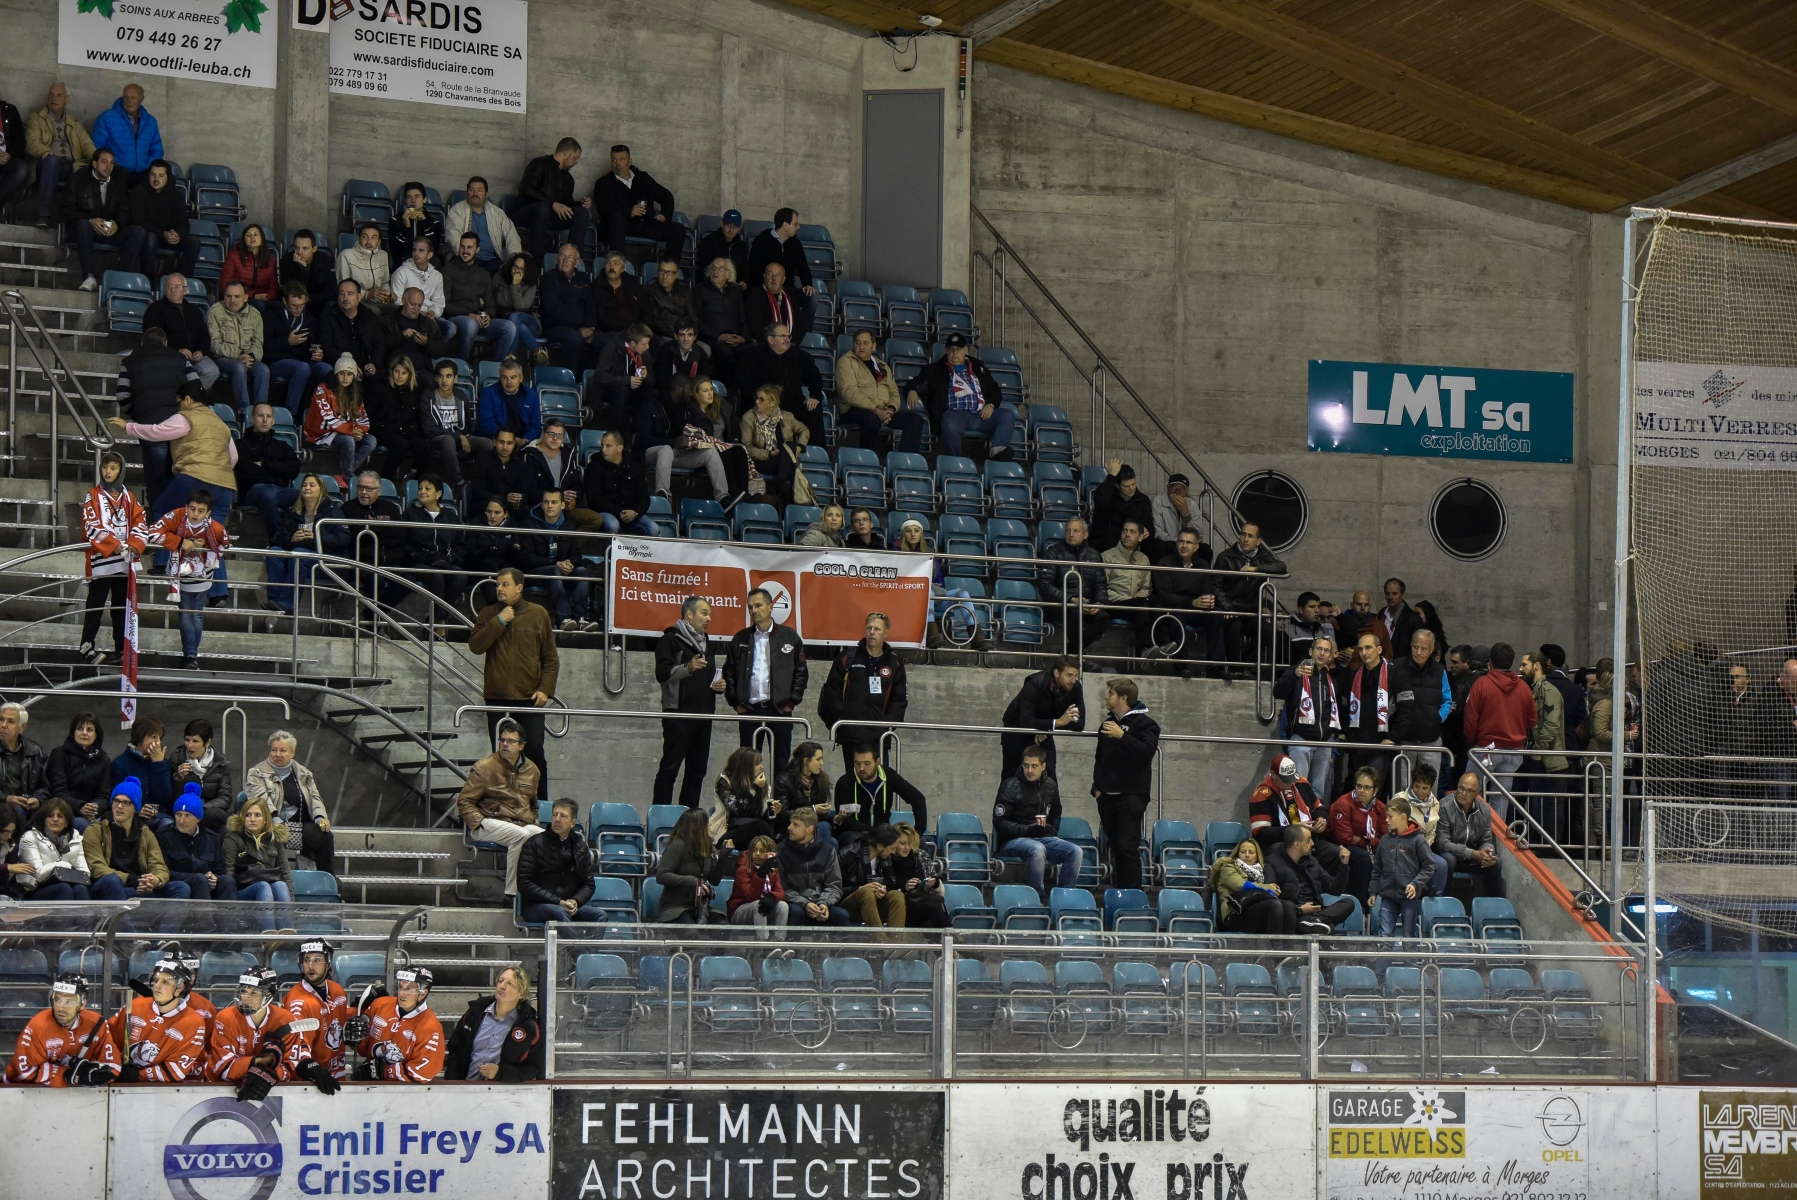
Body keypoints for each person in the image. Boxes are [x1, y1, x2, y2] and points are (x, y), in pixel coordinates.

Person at [471, 568, 559, 799]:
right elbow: (476, 646)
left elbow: (550, 657)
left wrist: (545, 689)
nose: (499, 589)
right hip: (497, 698)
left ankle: (540, 807)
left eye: (505, 584)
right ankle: (502, 806)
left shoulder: (538, 614)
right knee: (501, 757)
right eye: (498, 584)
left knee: (535, 754)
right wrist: (499, 621)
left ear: (519, 588)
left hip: (529, 698)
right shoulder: (489, 613)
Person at [207, 968, 339, 1100]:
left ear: (268, 995)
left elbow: (291, 1063)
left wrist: (270, 1074)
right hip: (219, 1090)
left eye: (254, 993)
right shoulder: (226, 1017)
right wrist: (267, 1061)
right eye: (244, 991)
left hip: (271, 1092)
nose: (246, 998)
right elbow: (223, 1068)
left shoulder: (284, 1019)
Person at [724, 587, 807, 778]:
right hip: (749, 710)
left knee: (781, 765)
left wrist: (790, 703)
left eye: (758, 605)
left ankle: (778, 807)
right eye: (750, 607)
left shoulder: (790, 637)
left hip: (780, 710)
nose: (754, 610)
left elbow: (801, 673)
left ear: (770, 606)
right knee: (747, 766)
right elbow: (729, 673)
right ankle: (750, 806)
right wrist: (736, 704)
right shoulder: (741, 638)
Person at [457, 718, 544, 897]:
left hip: (520, 823)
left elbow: (533, 803)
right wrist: (478, 822)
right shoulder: (485, 767)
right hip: (489, 823)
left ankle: (539, 891)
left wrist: (533, 818)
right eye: (502, 740)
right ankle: (512, 894)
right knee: (521, 835)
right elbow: (464, 801)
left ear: (521, 746)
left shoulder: (532, 770)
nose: (504, 744)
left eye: (510, 741)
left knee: (545, 838)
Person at [143, 489, 230, 667]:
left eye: (200, 510)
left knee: (194, 614)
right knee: (187, 614)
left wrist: (206, 543)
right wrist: (180, 542)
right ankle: (191, 656)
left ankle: (190, 656)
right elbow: (151, 532)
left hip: (203, 575)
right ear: (186, 507)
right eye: (192, 509)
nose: (195, 514)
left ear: (208, 513)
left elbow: (226, 543)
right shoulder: (175, 515)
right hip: (179, 573)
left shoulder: (215, 528)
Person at [654, 596, 726, 809]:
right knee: (670, 769)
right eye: (704, 613)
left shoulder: (707, 642)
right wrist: (688, 668)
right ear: (689, 614)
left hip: (704, 715)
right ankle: (660, 815)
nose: (708, 618)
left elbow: (707, 675)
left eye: (710, 614)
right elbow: (662, 674)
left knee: (697, 772)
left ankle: (689, 819)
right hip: (679, 715)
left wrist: (719, 686)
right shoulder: (670, 639)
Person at [76, 451, 146, 664]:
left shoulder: (129, 497)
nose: (108, 471)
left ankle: (121, 649)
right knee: (95, 605)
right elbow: (90, 524)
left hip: (124, 562)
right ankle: (86, 647)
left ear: (121, 470)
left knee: (120, 608)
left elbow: (140, 522)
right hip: (102, 561)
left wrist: (134, 544)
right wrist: (112, 544)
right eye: (105, 467)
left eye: (113, 468)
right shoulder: (93, 495)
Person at [1091, 676, 1158, 890]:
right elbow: (1100, 758)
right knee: (1116, 848)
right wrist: (1097, 787)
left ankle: (1133, 896)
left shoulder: (1146, 724)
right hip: (1107, 796)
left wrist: (1122, 736)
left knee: (1127, 848)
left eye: (1110, 693)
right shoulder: (1107, 724)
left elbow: (1147, 752)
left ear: (1123, 697)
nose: (1106, 696)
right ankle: (1120, 892)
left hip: (1132, 795)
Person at [819, 613, 909, 774]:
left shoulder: (894, 663)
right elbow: (832, 692)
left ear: (886, 633)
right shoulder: (848, 658)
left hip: (879, 739)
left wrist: (886, 726)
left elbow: (899, 700)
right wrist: (842, 720)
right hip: (851, 736)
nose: (872, 632)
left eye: (877, 629)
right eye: (869, 628)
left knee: (880, 785)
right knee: (853, 785)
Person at [993, 743, 1082, 902]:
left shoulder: (1051, 786)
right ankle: (1037, 899)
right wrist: (1027, 831)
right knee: (1037, 848)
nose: (1029, 770)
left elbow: (1056, 811)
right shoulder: (1009, 786)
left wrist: (1052, 830)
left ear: (1043, 766)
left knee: (1075, 852)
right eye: (1026, 765)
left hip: (1042, 837)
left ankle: (1063, 898)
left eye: (1034, 766)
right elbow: (999, 822)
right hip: (1012, 841)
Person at [243, 730, 335, 875]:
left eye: (283, 750)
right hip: (270, 823)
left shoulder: (304, 773)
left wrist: (320, 818)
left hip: (299, 824)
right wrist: (276, 821)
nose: (277, 754)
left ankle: (328, 880)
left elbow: (315, 798)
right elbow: (261, 800)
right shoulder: (256, 773)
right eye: (274, 750)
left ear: (292, 753)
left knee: (325, 836)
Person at [908, 333, 1013, 459]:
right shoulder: (936, 370)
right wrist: (912, 391)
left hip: (981, 414)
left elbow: (994, 389)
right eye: (951, 349)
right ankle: (954, 460)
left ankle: (998, 454)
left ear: (966, 350)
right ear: (946, 351)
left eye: (958, 349)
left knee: (1007, 415)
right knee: (949, 422)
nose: (954, 353)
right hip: (955, 415)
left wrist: (991, 404)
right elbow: (916, 383)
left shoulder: (979, 368)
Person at [1462, 642, 1538, 817]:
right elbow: (1533, 720)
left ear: (1490, 663)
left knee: (1469, 792)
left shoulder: (1481, 685)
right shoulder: (1523, 688)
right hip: (1514, 751)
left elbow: (1470, 719)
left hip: (1486, 748)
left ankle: (1473, 834)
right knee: (1501, 798)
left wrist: (1473, 742)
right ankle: (1495, 841)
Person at [105, 954, 208, 1083]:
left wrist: (137, 1075)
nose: (157, 986)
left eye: (165, 982)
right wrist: (115, 1066)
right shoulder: (135, 1006)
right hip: (119, 1086)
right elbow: (106, 1040)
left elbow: (176, 1070)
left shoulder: (194, 1022)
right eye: (156, 980)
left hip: (160, 1092)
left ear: (180, 988)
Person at [82, 777, 189, 900]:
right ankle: (122, 920)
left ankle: (167, 920)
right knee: (112, 880)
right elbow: (97, 868)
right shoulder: (95, 830)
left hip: (136, 887)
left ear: (135, 808)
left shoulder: (146, 834)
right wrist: (131, 879)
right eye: (116, 801)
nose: (119, 806)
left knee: (180, 887)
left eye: (126, 802)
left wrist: (155, 880)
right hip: (107, 888)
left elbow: (159, 866)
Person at [7, 973, 118, 1086]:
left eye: (68, 1002)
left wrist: (98, 1076)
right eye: (58, 1000)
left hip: (76, 1095)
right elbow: (21, 1071)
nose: (61, 1007)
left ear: (82, 1003)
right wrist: (65, 1074)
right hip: (23, 1091)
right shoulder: (39, 1025)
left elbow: (113, 1066)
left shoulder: (96, 1024)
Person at [833, 330, 930, 453]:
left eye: (865, 343)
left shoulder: (881, 365)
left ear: (873, 346)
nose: (861, 347)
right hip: (853, 410)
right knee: (871, 418)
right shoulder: (846, 362)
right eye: (857, 343)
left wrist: (891, 409)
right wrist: (875, 409)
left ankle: (903, 461)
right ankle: (867, 460)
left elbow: (894, 391)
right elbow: (849, 393)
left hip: (882, 410)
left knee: (915, 420)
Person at [263, 474, 346, 615]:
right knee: (275, 552)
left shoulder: (333, 511)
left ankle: (288, 604)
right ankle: (275, 601)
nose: (307, 488)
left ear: (321, 490)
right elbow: (278, 540)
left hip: (327, 560)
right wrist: (292, 539)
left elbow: (342, 541)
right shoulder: (293, 513)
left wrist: (317, 537)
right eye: (304, 485)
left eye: (312, 485)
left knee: (300, 553)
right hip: (300, 555)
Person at [1210, 523, 1287, 671]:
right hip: (1231, 608)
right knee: (1234, 627)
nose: (1245, 539)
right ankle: (1234, 669)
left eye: (1250, 536)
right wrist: (1227, 607)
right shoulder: (1226, 556)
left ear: (1258, 541)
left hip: (1251, 610)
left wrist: (1256, 569)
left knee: (1269, 631)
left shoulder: (1263, 556)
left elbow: (1281, 567)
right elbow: (1216, 585)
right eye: (1243, 534)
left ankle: (1245, 665)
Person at [444, 966, 543, 1081]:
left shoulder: (527, 1026)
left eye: (510, 983)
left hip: (502, 1095)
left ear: (521, 993)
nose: (502, 986)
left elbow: (533, 1067)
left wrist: (500, 1073)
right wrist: (453, 1084)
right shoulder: (475, 1013)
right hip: (466, 1089)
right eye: (501, 981)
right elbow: (455, 1050)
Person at [347, 966, 445, 1082]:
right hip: (369, 1087)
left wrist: (383, 1071)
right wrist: (355, 1035)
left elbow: (424, 1072)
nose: (402, 993)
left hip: (402, 1094)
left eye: (409, 989)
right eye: (400, 987)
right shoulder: (380, 1004)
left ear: (423, 993)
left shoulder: (430, 1027)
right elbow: (364, 1049)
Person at [1274, 636, 1342, 801]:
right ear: (1311, 651)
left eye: (1326, 650)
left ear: (1332, 655)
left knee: (1318, 792)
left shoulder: (1331, 680)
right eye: (1318, 649)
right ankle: (1298, 825)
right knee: (1298, 789)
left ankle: (1314, 823)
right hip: (1301, 740)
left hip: (1324, 743)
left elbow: (1333, 712)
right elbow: (1278, 692)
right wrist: (1295, 675)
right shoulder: (1295, 671)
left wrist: (1332, 742)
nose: (1322, 653)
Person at [523, 488, 600, 631]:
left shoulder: (568, 525)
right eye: (546, 502)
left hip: (560, 569)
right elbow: (527, 559)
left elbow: (576, 553)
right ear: (541, 504)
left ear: (562, 505)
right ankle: (563, 618)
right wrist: (556, 563)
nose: (549, 506)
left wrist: (570, 563)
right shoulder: (530, 524)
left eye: (554, 502)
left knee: (583, 571)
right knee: (555, 570)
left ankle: (580, 618)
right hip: (536, 572)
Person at [517, 799, 604, 924]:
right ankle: (573, 944)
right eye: (554, 814)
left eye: (563, 816)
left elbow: (588, 884)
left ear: (573, 823)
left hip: (568, 904)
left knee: (600, 916)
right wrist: (557, 901)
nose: (557, 819)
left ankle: (584, 945)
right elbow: (524, 883)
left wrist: (576, 901)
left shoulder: (580, 846)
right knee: (560, 912)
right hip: (537, 905)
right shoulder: (534, 843)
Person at [739, 322, 826, 445]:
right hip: (765, 404)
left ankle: (817, 454)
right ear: (771, 339)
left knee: (814, 410)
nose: (787, 340)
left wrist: (815, 396)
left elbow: (814, 376)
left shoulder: (799, 355)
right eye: (783, 336)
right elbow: (744, 382)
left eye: (788, 336)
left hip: (793, 404)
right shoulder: (754, 355)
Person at [1000, 658, 1086, 782]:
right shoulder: (1035, 683)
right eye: (1069, 675)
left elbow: (1079, 724)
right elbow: (1025, 721)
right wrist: (1059, 722)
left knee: (1050, 774)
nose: (1073, 680)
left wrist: (1044, 728)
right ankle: (1005, 802)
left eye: (1076, 676)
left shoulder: (1076, 688)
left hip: (1045, 732)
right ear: (1057, 673)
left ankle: (1051, 802)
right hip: (1016, 731)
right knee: (1011, 777)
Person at [593, 144, 683, 258]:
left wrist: (665, 214)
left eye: (622, 159)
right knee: (616, 219)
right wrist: (629, 211)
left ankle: (669, 270)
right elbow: (604, 209)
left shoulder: (642, 178)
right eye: (614, 160)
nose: (618, 164)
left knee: (678, 229)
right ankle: (618, 266)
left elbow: (666, 196)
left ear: (629, 161)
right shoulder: (603, 183)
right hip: (620, 226)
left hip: (645, 223)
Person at [25, 82, 94, 230]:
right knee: (52, 161)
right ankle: (44, 214)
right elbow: (31, 142)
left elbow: (88, 146)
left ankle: (82, 224)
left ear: (67, 100)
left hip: (70, 166)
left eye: (59, 95)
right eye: (51, 94)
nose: (53, 98)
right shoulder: (36, 119)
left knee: (89, 170)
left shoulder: (75, 125)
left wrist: (99, 159)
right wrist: (45, 151)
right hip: (45, 164)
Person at [1150, 529, 1220, 672]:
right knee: (1178, 613)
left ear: (1196, 547)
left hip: (1196, 609)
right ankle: (1181, 666)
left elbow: (1207, 590)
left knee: (1216, 615)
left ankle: (1214, 667)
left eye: (1189, 542)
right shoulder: (1164, 563)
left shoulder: (1204, 565)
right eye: (1181, 541)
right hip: (1173, 608)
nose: (1184, 545)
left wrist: (1208, 600)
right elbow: (1165, 595)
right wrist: (1191, 602)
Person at [1520, 648, 1571, 841]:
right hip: (1537, 755)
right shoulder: (1534, 689)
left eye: (1524, 664)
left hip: (1547, 757)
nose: (1521, 668)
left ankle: (1549, 846)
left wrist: (1538, 749)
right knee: (1538, 804)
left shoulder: (1548, 691)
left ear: (1537, 666)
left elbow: (1551, 723)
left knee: (1548, 805)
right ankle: (1540, 843)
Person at [834, 743, 929, 848]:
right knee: (863, 844)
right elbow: (846, 820)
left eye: (867, 763)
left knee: (921, 846)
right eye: (857, 763)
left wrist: (918, 832)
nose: (861, 768)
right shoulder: (845, 782)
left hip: (883, 832)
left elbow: (918, 799)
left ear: (878, 762)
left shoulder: (889, 776)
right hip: (853, 832)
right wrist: (873, 831)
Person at [1390, 629, 1451, 784]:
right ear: (1411, 646)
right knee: (1402, 789)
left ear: (1431, 650)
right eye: (1415, 647)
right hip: (1404, 739)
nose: (1418, 652)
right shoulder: (1396, 667)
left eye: (1424, 649)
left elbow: (1447, 701)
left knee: (1430, 789)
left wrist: (1438, 718)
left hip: (1431, 740)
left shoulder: (1440, 671)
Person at [283, 940, 350, 1082]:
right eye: (306, 960)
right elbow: (297, 1044)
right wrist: (312, 1069)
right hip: (309, 1080)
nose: (311, 966)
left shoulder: (337, 990)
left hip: (336, 1073)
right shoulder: (300, 1002)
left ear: (328, 963)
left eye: (317, 960)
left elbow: (338, 1017)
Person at [155, 784, 235, 901]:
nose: (181, 821)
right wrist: (197, 877)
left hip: (204, 883)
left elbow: (220, 870)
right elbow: (164, 871)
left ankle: (229, 919)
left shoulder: (211, 837)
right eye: (178, 815)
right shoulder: (164, 835)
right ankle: (204, 919)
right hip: (178, 883)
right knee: (200, 879)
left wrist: (215, 878)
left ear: (198, 818)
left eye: (187, 816)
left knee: (228, 881)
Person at [120, 159, 197, 280]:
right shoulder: (138, 192)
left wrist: (177, 234)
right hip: (148, 236)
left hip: (168, 238)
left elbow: (184, 225)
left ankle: (182, 282)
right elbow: (137, 221)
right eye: (153, 174)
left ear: (168, 177)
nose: (156, 179)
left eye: (161, 175)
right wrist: (163, 234)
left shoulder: (176, 195)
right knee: (150, 238)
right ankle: (148, 281)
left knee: (193, 242)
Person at [264, 283, 332, 416]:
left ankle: (322, 415)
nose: (298, 309)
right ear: (284, 301)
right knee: (302, 368)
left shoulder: (309, 319)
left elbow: (313, 344)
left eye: (302, 305)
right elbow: (265, 346)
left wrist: (318, 354)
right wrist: (287, 342)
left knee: (327, 369)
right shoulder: (270, 315)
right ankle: (290, 413)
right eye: (294, 305)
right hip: (277, 361)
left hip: (303, 360)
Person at [1369, 797, 1433, 938]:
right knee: (1384, 938)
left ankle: (1409, 962)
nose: (1386, 820)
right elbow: (1377, 869)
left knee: (1409, 939)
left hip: (1409, 898)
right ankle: (1384, 961)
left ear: (1403, 817)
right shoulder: (1385, 840)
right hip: (1387, 897)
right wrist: (1373, 891)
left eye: (1390, 816)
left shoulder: (1418, 840)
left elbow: (1429, 866)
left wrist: (1416, 884)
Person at [235, 403, 301, 538]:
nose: (265, 420)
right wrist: (279, 469)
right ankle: (277, 540)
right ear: (252, 419)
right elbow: (247, 472)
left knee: (311, 497)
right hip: (253, 491)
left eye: (268, 416)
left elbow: (294, 470)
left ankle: (306, 539)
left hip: (281, 491)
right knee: (266, 493)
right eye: (260, 416)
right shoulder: (240, 445)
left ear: (273, 421)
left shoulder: (282, 446)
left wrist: (265, 464)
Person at [1040, 517, 1106, 652]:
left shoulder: (1094, 555)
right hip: (1061, 603)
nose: (1071, 534)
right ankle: (1078, 659)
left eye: (1076, 531)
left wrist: (1099, 602)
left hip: (1087, 603)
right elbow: (1045, 585)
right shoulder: (1053, 552)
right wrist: (1071, 599)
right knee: (1075, 612)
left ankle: (1072, 652)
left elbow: (1101, 584)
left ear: (1085, 534)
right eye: (1068, 531)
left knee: (1104, 618)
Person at [144, 272, 220, 389]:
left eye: (177, 287)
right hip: (169, 354)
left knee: (212, 371)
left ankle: (191, 399)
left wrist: (200, 351)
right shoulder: (155, 309)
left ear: (185, 290)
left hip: (194, 356)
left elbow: (204, 336)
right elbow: (153, 338)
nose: (173, 290)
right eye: (169, 286)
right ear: (164, 289)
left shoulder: (194, 311)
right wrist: (177, 350)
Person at [518, 137, 591, 257]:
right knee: (542, 209)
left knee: (581, 213)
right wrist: (552, 203)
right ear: (566, 153)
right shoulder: (539, 164)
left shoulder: (568, 178)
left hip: (550, 216)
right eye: (576, 157)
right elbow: (526, 189)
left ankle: (573, 258)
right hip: (527, 213)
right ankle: (538, 259)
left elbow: (567, 203)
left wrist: (580, 204)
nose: (576, 162)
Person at [747, 208, 816, 334]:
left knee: (812, 297)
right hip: (765, 289)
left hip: (787, 288)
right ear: (785, 224)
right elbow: (754, 269)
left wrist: (808, 283)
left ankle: (803, 334)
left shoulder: (795, 243)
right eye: (795, 224)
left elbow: (803, 267)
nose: (798, 227)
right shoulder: (762, 240)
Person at [1247, 753, 1330, 857]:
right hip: (1279, 844)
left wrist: (1321, 819)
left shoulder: (1301, 783)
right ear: (1273, 774)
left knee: (1335, 853)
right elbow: (1261, 834)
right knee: (1294, 852)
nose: (1289, 783)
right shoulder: (1261, 795)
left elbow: (1318, 808)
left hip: (1308, 840)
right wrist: (1292, 830)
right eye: (1285, 780)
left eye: (1291, 779)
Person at [777, 807, 848, 926]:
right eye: (791, 823)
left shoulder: (827, 850)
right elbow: (780, 887)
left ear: (809, 829)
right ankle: (791, 945)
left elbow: (834, 885)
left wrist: (823, 903)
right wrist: (805, 903)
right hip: (795, 902)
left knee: (842, 915)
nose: (789, 827)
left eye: (796, 825)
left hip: (819, 902)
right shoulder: (780, 851)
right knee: (795, 912)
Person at [1439, 772, 1506, 898]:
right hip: (1452, 855)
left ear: (1477, 793)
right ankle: (1444, 902)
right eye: (1461, 788)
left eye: (1469, 791)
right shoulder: (1444, 806)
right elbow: (1443, 843)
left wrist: (1487, 853)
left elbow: (1486, 840)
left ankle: (1491, 907)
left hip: (1473, 858)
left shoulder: (1484, 809)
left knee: (1495, 862)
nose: (1463, 793)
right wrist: (1472, 853)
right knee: (1448, 860)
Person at [652, 807, 724, 925]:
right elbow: (661, 875)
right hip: (675, 908)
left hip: (699, 907)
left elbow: (714, 880)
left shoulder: (706, 848)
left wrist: (723, 858)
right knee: (693, 934)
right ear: (698, 827)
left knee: (723, 928)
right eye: (707, 823)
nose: (710, 826)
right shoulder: (677, 846)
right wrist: (692, 881)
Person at [1208, 838, 1295, 934]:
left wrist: (1275, 890)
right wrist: (1269, 888)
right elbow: (1242, 886)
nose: (1247, 855)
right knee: (1274, 905)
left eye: (1251, 852)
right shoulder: (1228, 868)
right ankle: (1275, 947)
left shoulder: (1261, 871)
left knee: (1288, 906)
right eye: (1243, 852)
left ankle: (1287, 947)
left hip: (1254, 909)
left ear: (1257, 856)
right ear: (1237, 853)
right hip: (1235, 913)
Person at [208, 280, 269, 416]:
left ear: (246, 297)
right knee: (239, 367)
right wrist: (238, 355)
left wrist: (251, 356)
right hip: (224, 359)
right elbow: (214, 344)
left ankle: (261, 411)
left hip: (248, 358)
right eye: (228, 296)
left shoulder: (255, 315)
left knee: (263, 369)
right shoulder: (215, 311)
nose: (232, 300)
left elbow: (258, 343)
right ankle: (244, 411)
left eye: (237, 296)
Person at [1327, 765, 1387, 903]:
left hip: (1364, 845)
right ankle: (1360, 903)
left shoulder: (1380, 807)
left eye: (1367, 788)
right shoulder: (1342, 804)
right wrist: (1369, 842)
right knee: (1364, 858)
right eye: (1359, 786)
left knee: (1390, 853)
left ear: (1375, 790)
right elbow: (1344, 838)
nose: (1361, 790)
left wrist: (1363, 840)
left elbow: (1385, 838)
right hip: (1340, 847)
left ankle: (1384, 901)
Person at [66, 147, 123, 291]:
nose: (108, 166)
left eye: (111, 163)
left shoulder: (119, 183)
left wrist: (118, 224)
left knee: (137, 232)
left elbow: (126, 211)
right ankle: (89, 277)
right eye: (104, 162)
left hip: (109, 231)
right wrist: (90, 220)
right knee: (83, 225)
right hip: (83, 229)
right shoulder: (78, 180)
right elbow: (65, 211)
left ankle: (120, 278)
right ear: (94, 163)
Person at [1389, 761, 1449, 897]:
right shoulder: (1400, 799)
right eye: (1417, 786)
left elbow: (1432, 832)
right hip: (1400, 846)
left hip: (1421, 848)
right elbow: (1390, 827)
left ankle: (1433, 901)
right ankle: (1415, 893)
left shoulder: (1435, 804)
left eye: (1424, 788)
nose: (1420, 791)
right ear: (1412, 782)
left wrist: (1423, 848)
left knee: (1442, 864)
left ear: (1431, 788)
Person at [1100, 519, 1156, 656]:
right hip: (1114, 603)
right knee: (1142, 605)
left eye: (1132, 532)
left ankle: (1160, 645)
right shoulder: (1107, 556)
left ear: (1141, 537)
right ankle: (1143, 649)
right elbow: (1102, 588)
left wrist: (1142, 594)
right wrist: (1130, 599)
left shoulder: (1143, 559)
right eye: (1125, 531)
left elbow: (1146, 586)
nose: (1127, 535)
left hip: (1136, 603)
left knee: (1157, 603)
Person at [18, 798, 91, 901]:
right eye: (50, 816)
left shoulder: (75, 838)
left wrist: (63, 873)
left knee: (81, 889)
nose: (55, 819)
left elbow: (85, 874)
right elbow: (37, 875)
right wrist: (64, 866)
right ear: (43, 820)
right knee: (64, 888)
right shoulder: (30, 837)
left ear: (66, 822)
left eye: (60, 816)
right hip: (34, 891)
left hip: (65, 886)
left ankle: (86, 918)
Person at [540, 242, 598, 370]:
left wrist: (591, 327)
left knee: (603, 341)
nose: (565, 260)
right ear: (557, 259)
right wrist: (579, 328)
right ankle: (570, 378)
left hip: (582, 327)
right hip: (555, 326)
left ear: (576, 262)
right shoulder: (548, 278)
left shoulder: (583, 279)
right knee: (574, 339)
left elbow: (590, 304)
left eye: (569, 257)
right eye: (562, 256)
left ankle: (586, 380)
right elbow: (554, 309)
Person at [90, 83, 161, 189]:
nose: (129, 101)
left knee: (167, 177)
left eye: (133, 97)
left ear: (141, 99)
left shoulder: (151, 122)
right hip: (116, 170)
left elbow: (157, 151)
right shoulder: (106, 118)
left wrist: (146, 165)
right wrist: (114, 163)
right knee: (121, 177)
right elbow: (97, 148)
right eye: (126, 97)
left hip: (143, 171)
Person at [445, 176, 521, 271]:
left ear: (486, 194)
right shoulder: (457, 210)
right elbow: (453, 236)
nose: (475, 193)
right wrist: (466, 257)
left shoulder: (497, 213)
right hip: (466, 260)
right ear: (467, 193)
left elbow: (511, 233)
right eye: (471, 190)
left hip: (492, 260)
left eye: (479, 190)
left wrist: (513, 257)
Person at [586, 429, 654, 534]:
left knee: (653, 528)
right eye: (602, 446)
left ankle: (642, 551)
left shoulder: (635, 467)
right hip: (607, 512)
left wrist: (635, 512)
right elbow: (594, 499)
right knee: (613, 525)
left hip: (631, 513)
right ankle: (609, 550)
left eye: (608, 446)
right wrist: (618, 512)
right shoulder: (594, 467)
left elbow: (644, 498)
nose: (603, 450)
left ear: (620, 447)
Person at [48, 712, 110, 826]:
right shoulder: (59, 754)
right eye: (80, 729)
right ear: (73, 732)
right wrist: (81, 807)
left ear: (96, 734)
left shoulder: (104, 759)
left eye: (90, 730)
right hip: (63, 808)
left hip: (92, 812)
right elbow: (59, 791)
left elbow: (104, 796)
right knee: (80, 823)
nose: (84, 733)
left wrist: (94, 807)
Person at [713, 747, 779, 852]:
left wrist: (773, 812)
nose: (762, 767)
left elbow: (759, 816)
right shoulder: (725, 782)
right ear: (746, 766)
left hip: (753, 831)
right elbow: (738, 811)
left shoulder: (763, 784)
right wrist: (755, 789)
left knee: (778, 821)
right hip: (727, 832)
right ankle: (773, 857)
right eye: (758, 764)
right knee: (761, 826)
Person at [696, 256, 749, 381]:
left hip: (735, 337)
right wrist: (719, 336)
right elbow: (697, 320)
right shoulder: (700, 289)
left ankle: (741, 393)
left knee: (749, 352)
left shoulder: (736, 291)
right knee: (725, 351)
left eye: (720, 268)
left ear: (728, 274)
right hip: (712, 338)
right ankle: (725, 389)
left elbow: (743, 318)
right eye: (713, 268)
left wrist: (743, 338)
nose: (716, 271)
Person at [320, 279, 384, 384]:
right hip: (339, 367)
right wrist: (349, 366)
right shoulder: (328, 316)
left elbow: (380, 344)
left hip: (365, 367)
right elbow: (327, 347)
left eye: (350, 294)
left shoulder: (369, 316)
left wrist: (374, 364)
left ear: (359, 297)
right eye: (341, 294)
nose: (345, 298)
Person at [110, 716, 171, 821]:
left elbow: (164, 797)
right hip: (130, 817)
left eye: (160, 738)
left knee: (167, 824)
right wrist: (137, 810)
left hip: (158, 817)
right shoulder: (120, 763)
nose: (158, 742)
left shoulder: (162, 762)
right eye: (153, 737)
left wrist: (158, 765)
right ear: (139, 737)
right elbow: (114, 800)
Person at [728, 835, 789, 936]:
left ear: (770, 853)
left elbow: (781, 893)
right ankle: (763, 946)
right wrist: (760, 875)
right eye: (754, 850)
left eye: (762, 851)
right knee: (758, 904)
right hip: (739, 912)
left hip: (761, 912)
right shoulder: (742, 870)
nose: (757, 854)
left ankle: (779, 942)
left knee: (782, 905)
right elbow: (750, 895)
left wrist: (771, 897)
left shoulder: (773, 871)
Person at [1090, 460, 1155, 553]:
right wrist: (1112, 475)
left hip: (1134, 542)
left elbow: (1150, 527)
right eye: (1126, 486)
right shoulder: (1108, 495)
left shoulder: (1143, 500)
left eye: (1133, 484)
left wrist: (1146, 532)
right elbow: (1101, 499)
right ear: (1117, 485)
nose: (1132, 488)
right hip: (1107, 541)